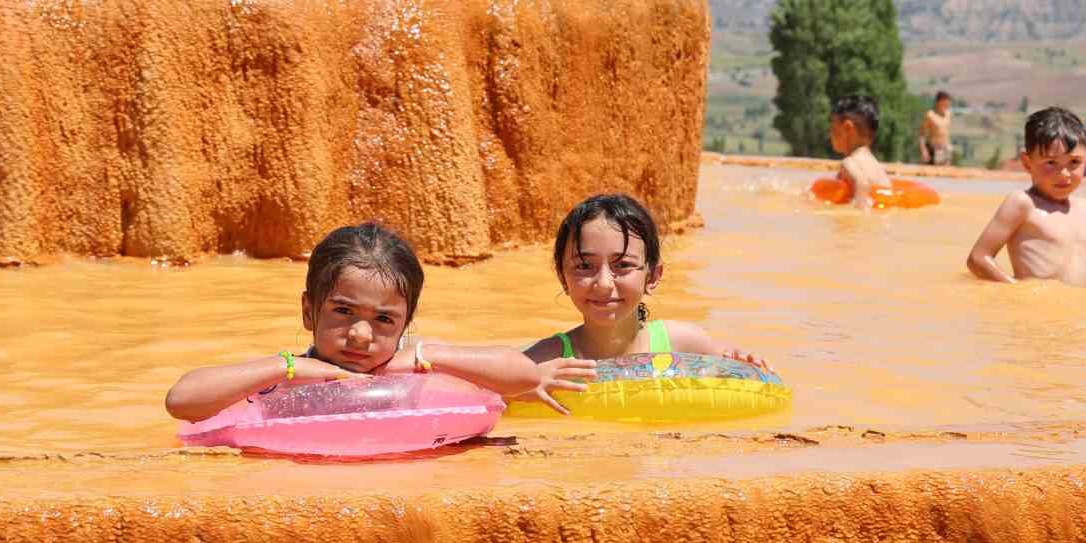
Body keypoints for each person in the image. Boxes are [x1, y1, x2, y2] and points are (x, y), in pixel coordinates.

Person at [165, 222, 595, 421]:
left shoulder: (415, 364)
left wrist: (421, 356)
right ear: (308, 311)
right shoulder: (287, 376)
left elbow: (521, 374)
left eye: (384, 319)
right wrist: (287, 366)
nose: (360, 334)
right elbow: (181, 401)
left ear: (406, 323)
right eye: (343, 311)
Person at [524, 193, 761, 364]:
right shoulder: (547, 360)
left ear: (653, 276)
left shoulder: (685, 344)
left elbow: (736, 368)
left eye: (623, 265)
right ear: (562, 277)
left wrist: (743, 361)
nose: (604, 284)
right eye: (584, 266)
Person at [966, 107, 1086, 288]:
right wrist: (1018, 291)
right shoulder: (1023, 204)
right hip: (1037, 313)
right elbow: (978, 258)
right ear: (1027, 162)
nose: (1063, 174)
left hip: (1079, 314)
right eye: (1051, 162)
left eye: (1074, 162)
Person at [828, 94, 891, 207]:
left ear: (847, 128)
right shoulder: (877, 167)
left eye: (832, 127)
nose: (830, 133)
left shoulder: (849, 162)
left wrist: (857, 216)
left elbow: (862, 183)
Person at [917, 91, 953, 165]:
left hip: (946, 149)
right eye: (946, 102)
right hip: (934, 149)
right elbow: (921, 134)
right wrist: (923, 150)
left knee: (946, 173)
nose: (948, 104)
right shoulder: (930, 115)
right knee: (934, 173)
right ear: (939, 102)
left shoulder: (948, 114)